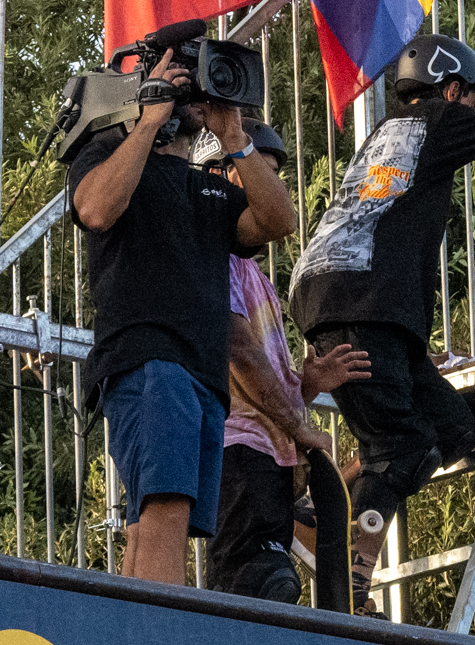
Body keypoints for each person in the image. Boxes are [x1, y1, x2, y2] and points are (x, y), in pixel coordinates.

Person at [289, 35, 475, 613]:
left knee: (450, 427)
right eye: (473, 97)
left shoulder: (386, 136)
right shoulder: (442, 120)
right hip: (362, 302)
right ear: (451, 88)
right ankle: (348, 582)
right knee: (401, 446)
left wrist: (415, 352)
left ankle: (320, 509)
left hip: (349, 299)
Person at [70, 41, 297, 587]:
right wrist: (149, 118)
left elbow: (278, 221)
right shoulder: (105, 157)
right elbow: (96, 208)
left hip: (200, 374)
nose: (195, 93)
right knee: (165, 507)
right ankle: (164, 631)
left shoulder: (207, 185)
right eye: (182, 79)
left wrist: (236, 137)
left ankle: (135, 627)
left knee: (150, 522)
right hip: (150, 360)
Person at [201, 122, 372, 603]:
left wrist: (306, 385)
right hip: (240, 449)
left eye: (273, 173)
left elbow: (257, 379)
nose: (269, 185)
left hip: (268, 450)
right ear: (218, 174)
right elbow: (238, 354)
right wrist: (299, 422)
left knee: (271, 586)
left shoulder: (250, 270)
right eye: (257, 171)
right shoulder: (211, 255)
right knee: (255, 580)